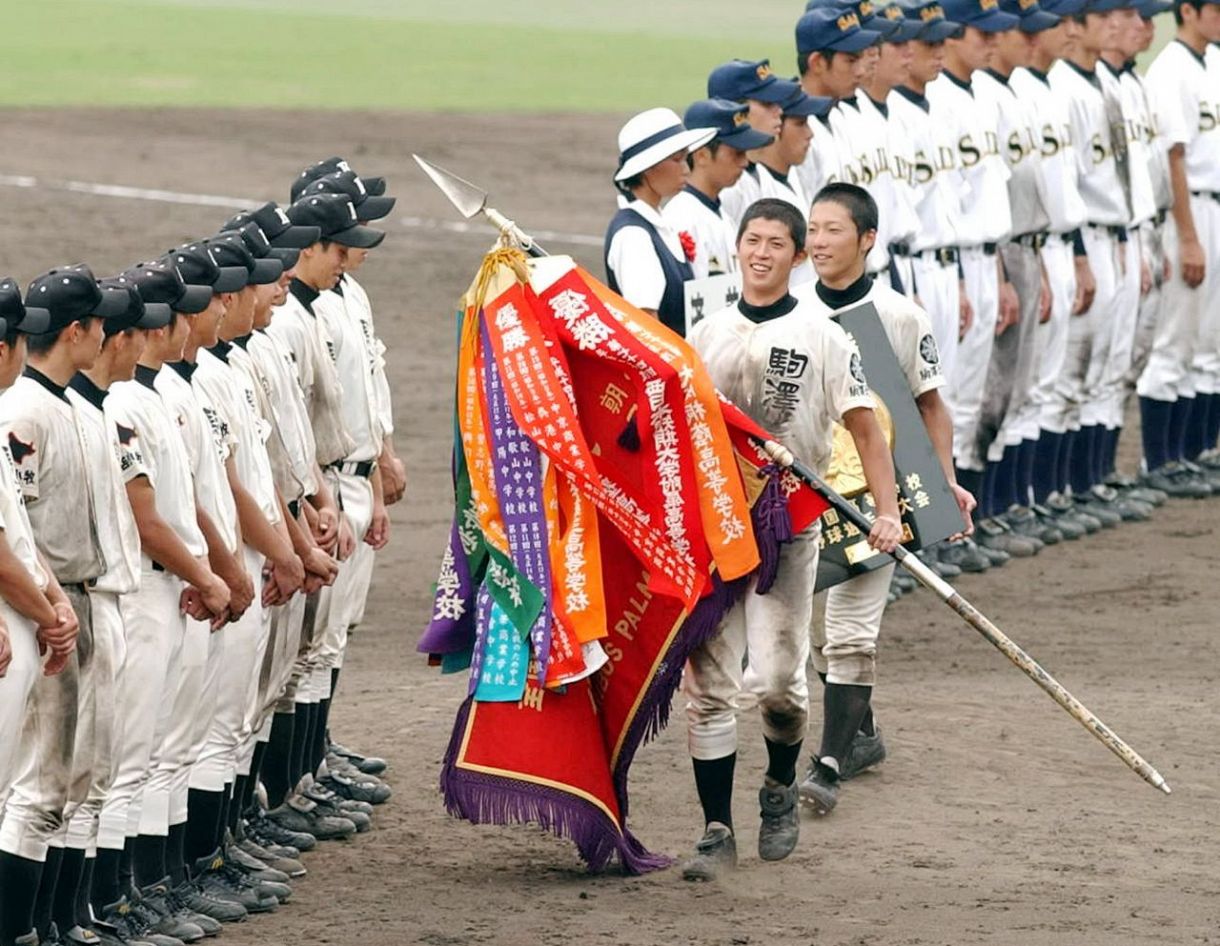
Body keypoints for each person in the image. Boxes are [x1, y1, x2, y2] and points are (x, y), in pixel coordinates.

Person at [682, 198, 901, 881]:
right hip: (714, 532)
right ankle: (716, 831)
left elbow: (866, 429)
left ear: (797, 256)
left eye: (777, 243)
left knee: (778, 684)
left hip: (790, 530)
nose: (761, 253)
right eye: (752, 240)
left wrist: (888, 513)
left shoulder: (826, 336)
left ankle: (779, 786)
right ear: (737, 247)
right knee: (710, 688)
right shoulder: (705, 333)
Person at [794, 184, 974, 812]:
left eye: (833, 230)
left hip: (879, 499)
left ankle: (830, 764)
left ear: (867, 240)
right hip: (805, 495)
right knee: (813, 633)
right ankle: (861, 733)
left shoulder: (898, 316)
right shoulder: (788, 309)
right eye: (812, 229)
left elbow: (930, 408)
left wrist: (944, 484)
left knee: (849, 632)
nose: (818, 241)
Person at [0, 266, 122, 946]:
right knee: (34, 789)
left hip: (60, 605)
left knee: (67, 784)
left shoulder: (66, 407)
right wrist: (48, 609)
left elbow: (20, 532)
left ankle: (47, 924)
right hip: (34, 618)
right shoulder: (22, 413)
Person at [1135, 0, 1220, 490]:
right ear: (1187, 10)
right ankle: (1160, 461)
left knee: (1209, 343)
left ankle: (1197, 451)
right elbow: (1174, 158)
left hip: (1214, 207)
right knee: (1176, 339)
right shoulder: (1170, 69)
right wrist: (1187, 237)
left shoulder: (1210, 62)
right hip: (1191, 210)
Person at [603, 107, 716, 335]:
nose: (686, 169)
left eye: (686, 158)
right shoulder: (634, 235)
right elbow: (647, 326)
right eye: (677, 160)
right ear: (648, 168)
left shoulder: (658, 222)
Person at [663, 99, 774, 280]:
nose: (745, 162)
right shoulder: (681, 218)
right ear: (702, 156)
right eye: (736, 153)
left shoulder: (719, 212)